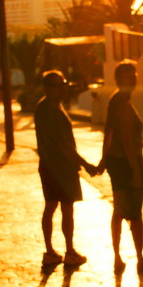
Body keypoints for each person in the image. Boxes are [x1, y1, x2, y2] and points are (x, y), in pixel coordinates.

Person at [34, 70, 97, 266]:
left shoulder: (42, 107)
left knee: (50, 206)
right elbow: (64, 145)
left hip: (47, 166)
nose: (62, 88)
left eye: (63, 84)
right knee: (67, 209)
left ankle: (50, 251)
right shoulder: (53, 111)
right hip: (61, 168)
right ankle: (69, 251)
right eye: (58, 85)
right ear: (48, 88)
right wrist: (85, 164)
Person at [98, 60, 143, 273]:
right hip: (127, 163)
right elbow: (128, 140)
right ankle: (139, 259)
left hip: (116, 162)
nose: (134, 79)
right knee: (135, 214)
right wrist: (136, 171)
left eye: (135, 75)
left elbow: (108, 133)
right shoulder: (123, 105)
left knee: (119, 211)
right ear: (120, 80)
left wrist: (104, 159)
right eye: (129, 76)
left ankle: (118, 258)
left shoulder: (115, 101)